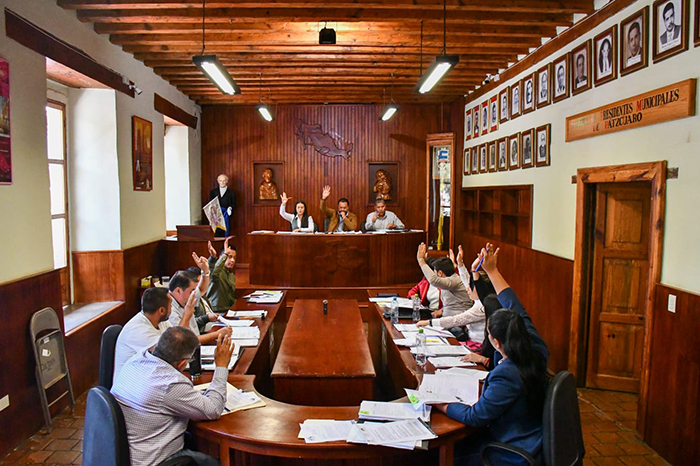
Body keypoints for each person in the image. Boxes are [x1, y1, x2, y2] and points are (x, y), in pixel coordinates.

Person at [432, 244, 549, 466]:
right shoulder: (536, 348)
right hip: (532, 433)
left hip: (513, 449)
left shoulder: (507, 375)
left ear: (496, 342)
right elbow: (515, 305)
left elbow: (474, 416)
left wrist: (440, 403)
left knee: (448, 455)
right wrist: (492, 271)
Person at [111, 327, 234, 466]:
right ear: (182, 363)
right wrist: (221, 366)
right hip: (154, 460)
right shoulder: (169, 383)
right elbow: (214, 409)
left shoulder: (136, 359)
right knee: (220, 462)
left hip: (129, 452)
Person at [113, 288, 195, 379]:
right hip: (133, 384)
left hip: (149, 376)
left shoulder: (160, 321)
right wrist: (186, 316)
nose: (172, 307)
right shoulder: (139, 330)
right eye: (170, 304)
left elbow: (178, 340)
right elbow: (174, 350)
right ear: (161, 311)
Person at [416, 243, 472, 339]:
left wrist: (421, 260)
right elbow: (455, 303)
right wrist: (441, 311)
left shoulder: (454, 280)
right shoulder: (451, 280)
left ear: (440, 273)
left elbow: (434, 280)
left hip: (458, 327)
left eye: (434, 272)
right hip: (447, 322)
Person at [168, 269, 231, 345]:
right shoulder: (170, 310)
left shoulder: (184, 298)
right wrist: (217, 334)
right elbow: (183, 340)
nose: (194, 294)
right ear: (178, 291)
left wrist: (205, 271)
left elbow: (202, 289)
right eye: (192, 291)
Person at [206, 237, 237, 312]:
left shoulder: (231, 274)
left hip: (228, 310)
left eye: (234, 257)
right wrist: (213, 257)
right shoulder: (218, 271)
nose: (233, 260)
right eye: (229, 257)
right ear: (221, 257)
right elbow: (214, 272)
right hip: (216, 312)